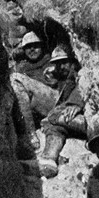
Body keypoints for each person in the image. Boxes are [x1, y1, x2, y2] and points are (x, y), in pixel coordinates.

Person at [38, 46, 87, 179]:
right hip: (73, 120)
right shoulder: (62, 76)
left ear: (73, 62)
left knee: (54, 116)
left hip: (92, 122)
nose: (61, 67)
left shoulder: (82, 73)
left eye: (64, 62)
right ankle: (49, 159)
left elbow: (85, 82)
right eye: (57, 64)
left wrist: (76, 103)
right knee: (55, 125)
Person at [10, 32, 58, 150]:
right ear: (23, 50)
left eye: (36, 45)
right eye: (28, 47)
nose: (32, 49)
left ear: (42, 46)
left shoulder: (51, 61)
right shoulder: (21, 66)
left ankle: (30, 134)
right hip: (37, 109)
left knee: (16, 78)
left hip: (55, 103)